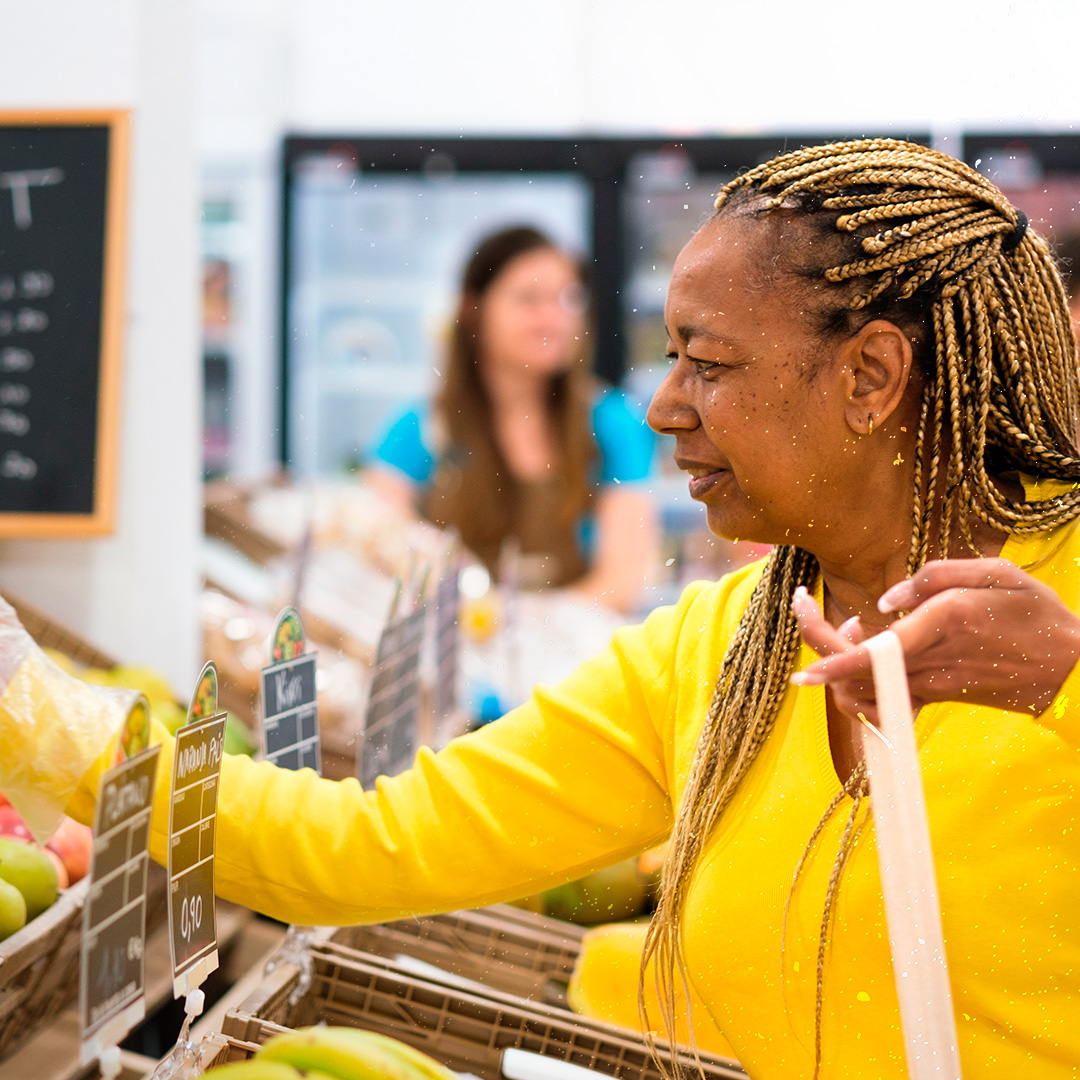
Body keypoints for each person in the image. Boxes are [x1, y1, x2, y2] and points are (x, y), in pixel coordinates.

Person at [47, 140, 1080, 1077]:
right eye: (671, 357)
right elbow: (366, 845)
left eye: (707, 364)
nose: (664, 407)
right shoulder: (713, 654)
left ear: (872, 375)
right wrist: (35, 707)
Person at [366, 226, 659, 615]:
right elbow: (372, 550)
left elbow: (622, 583)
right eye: (528, 300)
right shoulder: (419, 429)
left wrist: (522, 627)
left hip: (576, 660)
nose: (553, 318)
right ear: (473, 310)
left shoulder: (613, 424)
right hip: (453, 652)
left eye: (568, 299)